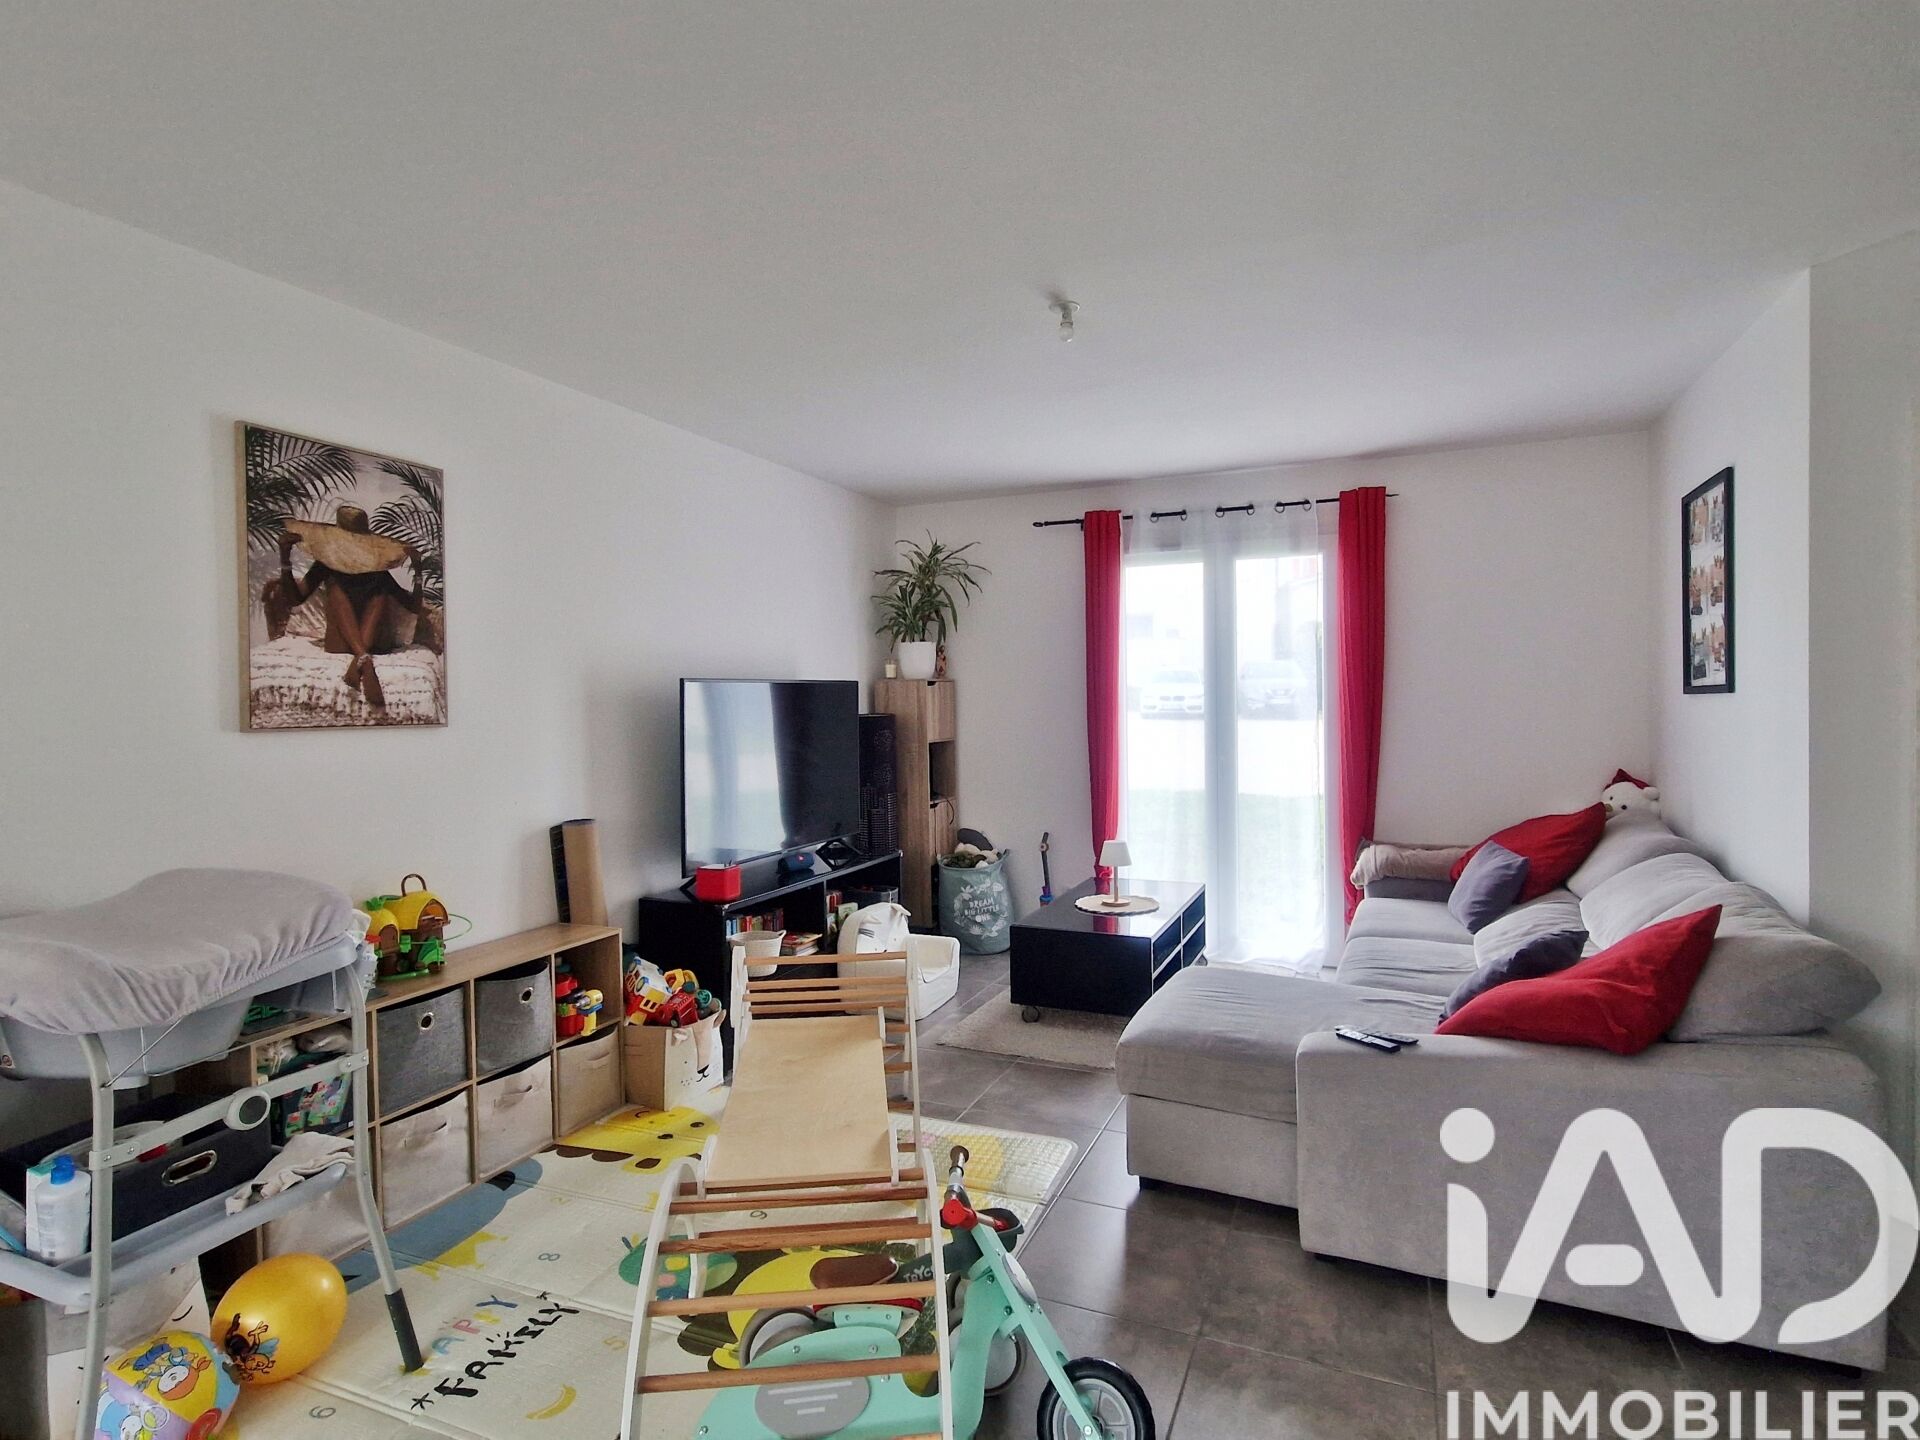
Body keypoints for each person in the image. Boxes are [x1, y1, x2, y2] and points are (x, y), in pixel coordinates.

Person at [262, 504, 437, 709]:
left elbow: (413, 607)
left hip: (376, 645)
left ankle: (361, 657)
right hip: (339, 644)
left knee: (380, 595)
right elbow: (295, 599)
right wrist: (285, 557)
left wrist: (418, 572)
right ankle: (364, 658)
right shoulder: (327, 565)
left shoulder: (377, 570)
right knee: (336, 590)